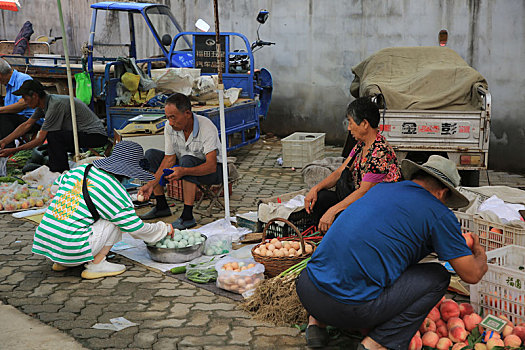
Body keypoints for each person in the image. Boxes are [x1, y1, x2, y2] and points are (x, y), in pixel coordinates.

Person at [296, 155, 488, 350]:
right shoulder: (438, 213)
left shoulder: (381, 189)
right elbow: (471, 274)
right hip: (350, 309)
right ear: (442, 193)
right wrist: (478, 250)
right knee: (438, 277)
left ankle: (316, 326)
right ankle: (376, 344)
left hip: (307, 288)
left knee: (341, 259)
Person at [32, 141, 174, 279]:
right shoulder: (114, 190)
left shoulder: (81, 170)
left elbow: (55, 189)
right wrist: (163, 229)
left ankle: (62, 263)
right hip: (70, 250)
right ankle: (97, 264)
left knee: (87, 214)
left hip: (48, 246)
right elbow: (136, 229)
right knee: (116, 220)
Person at [304, 97, 401, 233]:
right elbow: (340, 171)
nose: (349, 128)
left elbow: (364, 192)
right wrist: (315, 188)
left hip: (376, 209)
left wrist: (333, 210)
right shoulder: (361, 145)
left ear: (365, 124)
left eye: (351, 122)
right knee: (320, 199)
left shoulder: (379, 153)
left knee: (337, 216)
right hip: (360, 201)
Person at [138, 93, 223, 229]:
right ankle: (161, 206)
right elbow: (169, 158)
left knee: (187, 160)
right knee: (151, 155)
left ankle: (187, 216)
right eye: (168, 118)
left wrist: (183, 171)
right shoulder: (170, 127)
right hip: (184, 163)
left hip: (213, 171)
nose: (170, 122)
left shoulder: (206, 127)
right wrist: (151, 184)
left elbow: (211, 166)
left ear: (187, 114)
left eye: (173, 117)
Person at [0, 79, 108, 173]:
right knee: (52, 142)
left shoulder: (54, 106)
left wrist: (14, 150)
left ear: (35, 96)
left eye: (25, 98)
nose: (25, 102)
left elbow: (39, 140)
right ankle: (55, 167)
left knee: (53, 136)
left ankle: (60, 172)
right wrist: (4, 141)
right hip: (79, 134)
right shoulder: (43, 105)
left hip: (95, 136)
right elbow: (27, 125)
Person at [0, 58, 37, 146]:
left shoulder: (23, 79)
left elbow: (23, 104)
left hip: (31, 120)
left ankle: (7, 148)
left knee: (3, 116)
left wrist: (1, 110)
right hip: (17, 119)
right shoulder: (8, 84)